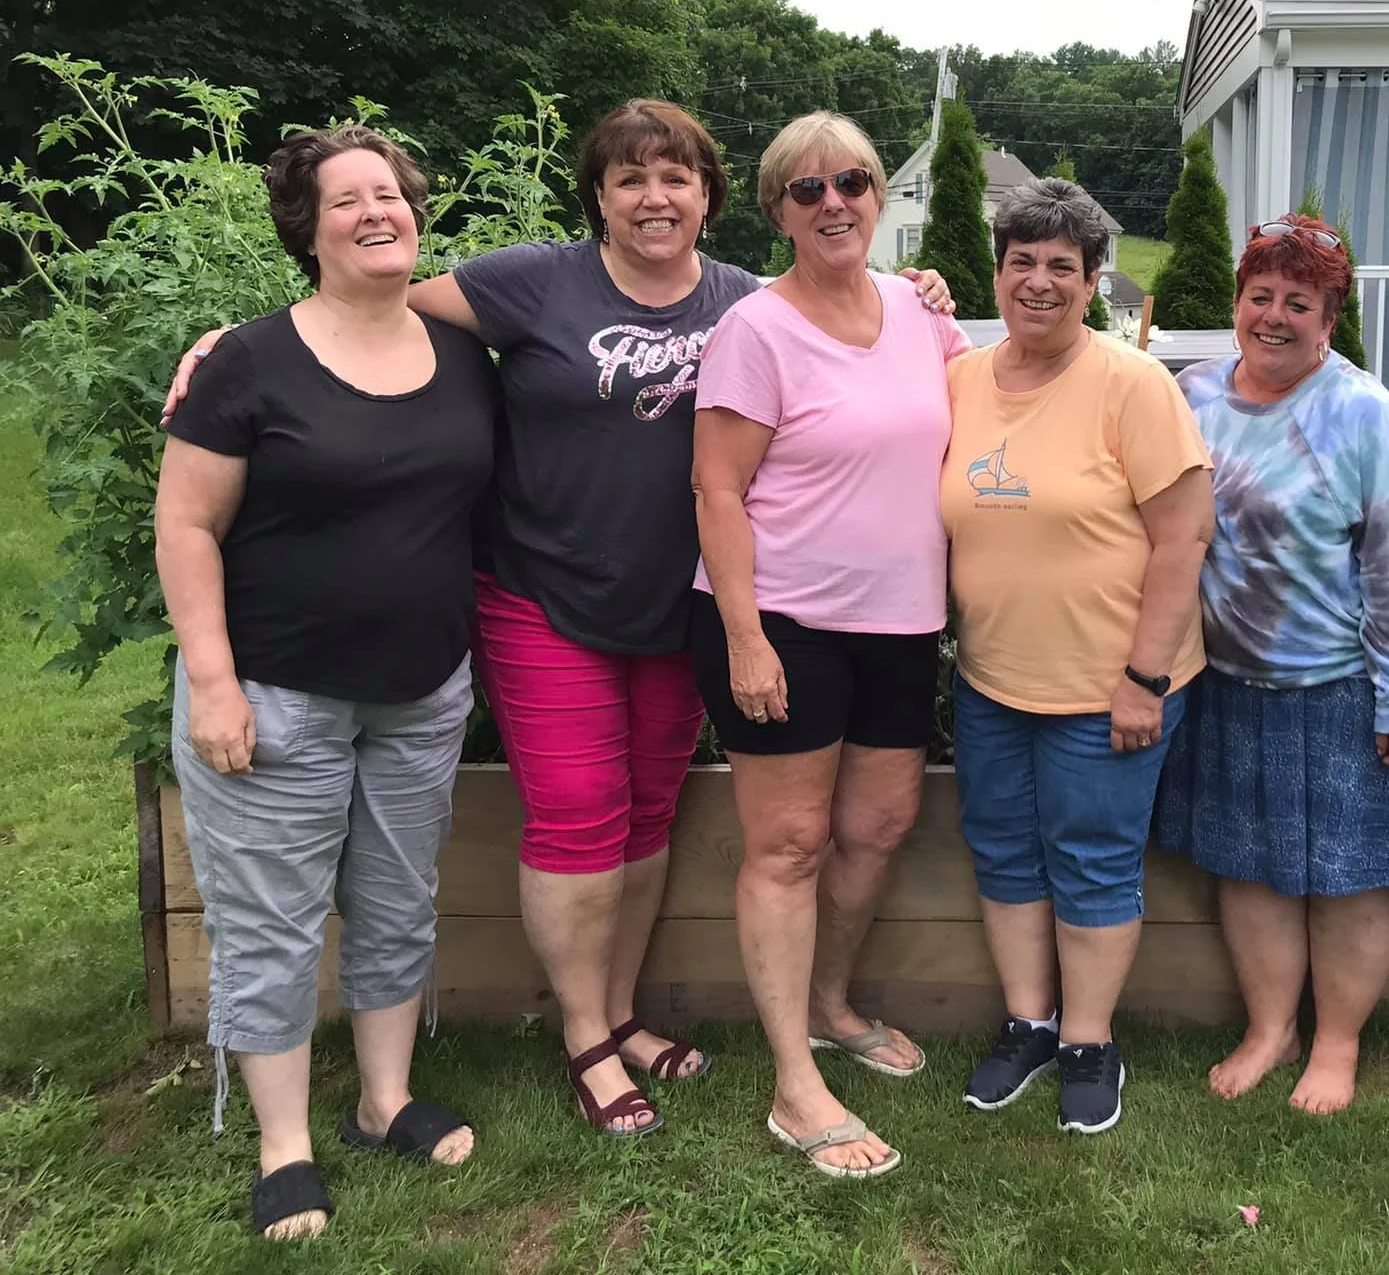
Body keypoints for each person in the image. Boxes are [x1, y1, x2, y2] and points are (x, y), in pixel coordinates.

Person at [163, 100, 955, 1142]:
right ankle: (585, 1032)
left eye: (675, 177)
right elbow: (371, 298)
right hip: (544, 596)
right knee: (577, 815)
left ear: (712, 198)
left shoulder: (742, 302)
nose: (653, 196)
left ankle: (622, 1012)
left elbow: (835, 331)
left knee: (646, 813)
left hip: (674, 605)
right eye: (628, 179)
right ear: (599, 197)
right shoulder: (532, 281)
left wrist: (925, 290)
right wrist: (243, 344)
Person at [157, 126, 497, 1239]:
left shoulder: (459, 357)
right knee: (272, 923)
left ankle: (383, 1099)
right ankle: (284, 1144)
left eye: (391, 193)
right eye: (347, 199)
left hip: (420, 689)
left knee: (399, 902)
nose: (376, 210)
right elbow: (188, 522)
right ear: (305, 228)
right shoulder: (248, 360)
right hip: (276, 690)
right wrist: (213, 680)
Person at [691, 112, 969, 1179]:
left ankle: (828, 1006)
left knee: (879, 824)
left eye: (851, 180)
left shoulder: (911, 309)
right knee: (790, 845)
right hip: (786, 622)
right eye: (806, 190)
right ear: (776, 212)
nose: (834, 201)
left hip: (901, 619)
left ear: (877, 195)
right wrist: (744, 638)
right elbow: (716, 486)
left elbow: (983, 403)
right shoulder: (755, 331)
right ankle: (792, 1085)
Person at [1154, 216, 1389, 1114]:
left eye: (1302, 302)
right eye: (1262, 296)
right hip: (1230, 682)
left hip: (1345, 686)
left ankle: (1335, 1045)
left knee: (1347, 878)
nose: (1277, 316)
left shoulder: (1366, 415)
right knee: (1249, 871)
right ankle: (1270, 1030)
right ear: (1238, 302)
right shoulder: (1194, 396)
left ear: (1331, 318)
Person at [941, 177, 1214, 1136]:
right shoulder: (965, 376)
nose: (1040, 282)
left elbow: (1184, 539)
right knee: (1007, 853)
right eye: (1023, 262)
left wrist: (1144, 677)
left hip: (1111, 686)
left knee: (1093, 861)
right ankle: (1028, 1022)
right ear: (1001, 272)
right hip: (991, 678)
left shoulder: (1130, 385)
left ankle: (1091, 1041)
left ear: (1094, 281)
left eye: (1064, 266)